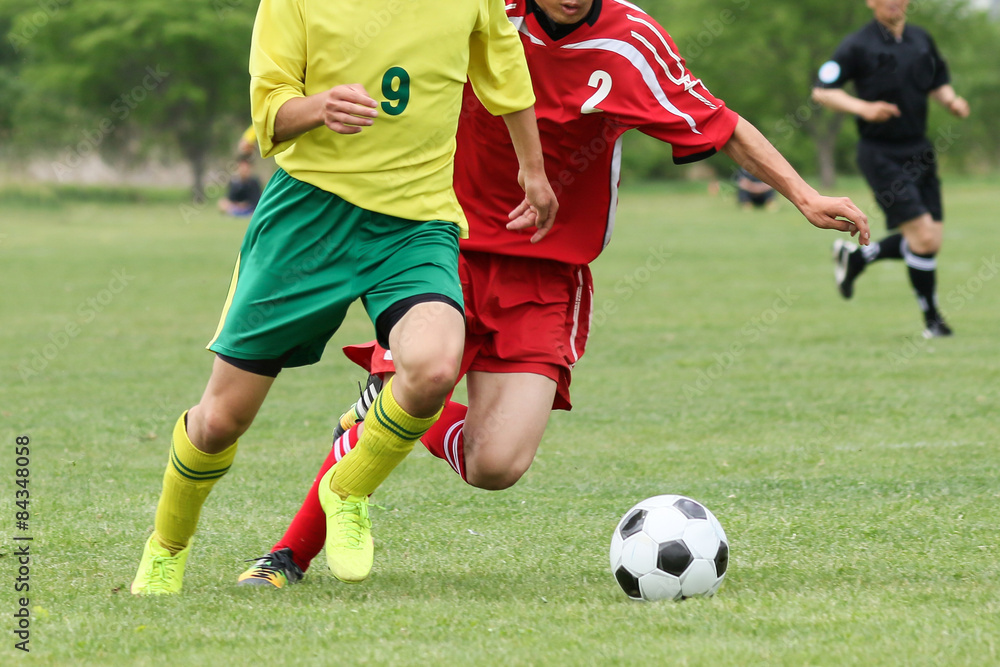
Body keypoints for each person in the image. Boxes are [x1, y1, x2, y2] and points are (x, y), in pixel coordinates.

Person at [234, 0, 870, 589]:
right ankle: (287, 555)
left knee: (496, 466)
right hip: (436, 245)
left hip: (544, 276)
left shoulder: (631, 42)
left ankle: (394, 404)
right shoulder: (482, 13)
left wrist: (805, 195)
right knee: (419, 378)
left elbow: (720, 126)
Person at [130, 0, 557, 595]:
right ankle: (167, 546)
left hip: (414, 222)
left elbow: (505, 73)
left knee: (434, 367)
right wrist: (319, 107)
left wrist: (532, 171)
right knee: (220, 420)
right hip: (308, 216)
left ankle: (347, 489)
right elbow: (269, 112)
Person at [812, 0, 969, 338]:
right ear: (871, 2)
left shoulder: (921, 39)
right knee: (923, 237)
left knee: (929, 242)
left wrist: (952, 101)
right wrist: (863, 108)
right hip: (880, 153)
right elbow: (822, 90)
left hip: (920, 150)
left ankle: (856, 259)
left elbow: (937, 82)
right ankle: (933, 323)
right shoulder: (858, 44)